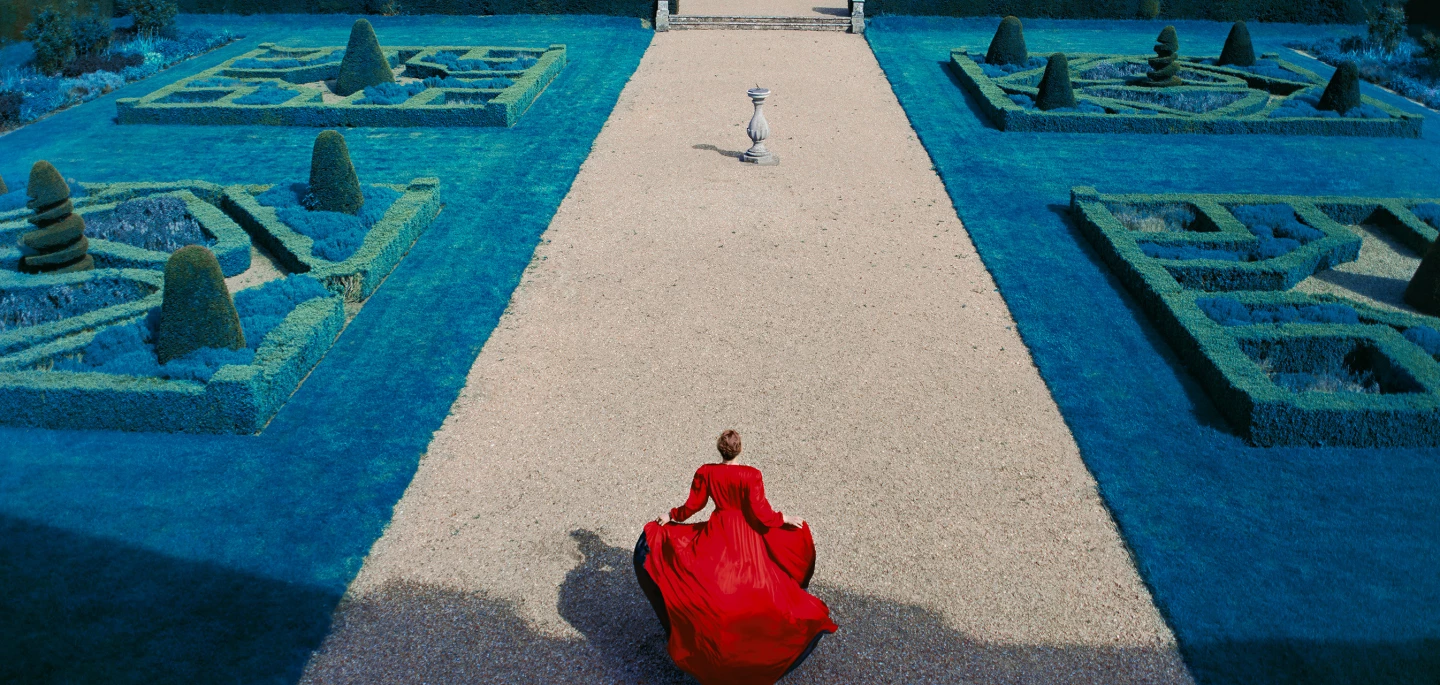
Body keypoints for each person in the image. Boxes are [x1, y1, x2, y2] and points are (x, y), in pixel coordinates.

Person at [634, 430, 838, 685]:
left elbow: (693, 506)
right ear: (739, 449)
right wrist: (784, 518)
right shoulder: (750, 475)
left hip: (719, 527)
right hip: (744, 532)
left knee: (713, 574)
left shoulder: (706, 472)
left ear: (720, 450)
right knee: (758, 579)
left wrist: (670, 515)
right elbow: (761, 513)